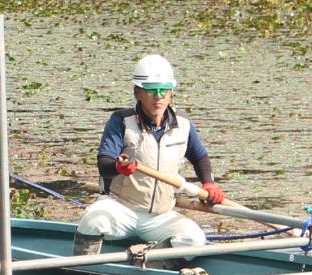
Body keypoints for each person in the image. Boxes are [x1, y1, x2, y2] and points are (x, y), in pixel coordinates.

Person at [71, 53, 223, 255]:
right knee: (92, 221)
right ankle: (82, 267)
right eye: (151, 90)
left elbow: (199, 157)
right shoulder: (121, 121)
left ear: (171, 92)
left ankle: (148, 260)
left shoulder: (183, 124)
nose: (158, 96)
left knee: (194, 239)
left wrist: (209, 184)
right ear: (138, 92)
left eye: (163, 90)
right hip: (121, 208)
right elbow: (104, 164)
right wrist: (118, 167)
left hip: (160, 216)